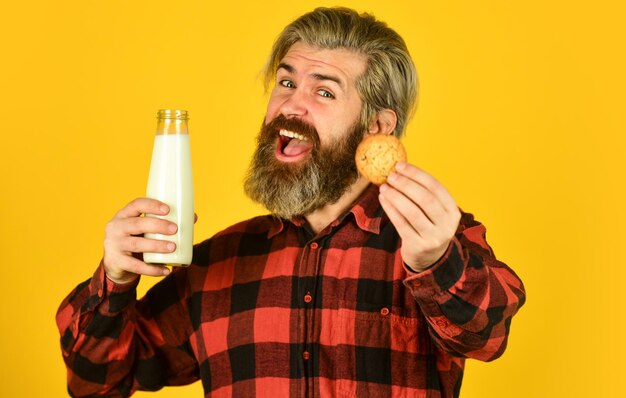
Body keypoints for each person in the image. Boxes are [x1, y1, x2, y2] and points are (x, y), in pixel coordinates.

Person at [57, 7, 525, 398]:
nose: (290, 106)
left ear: (378, 128)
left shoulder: (432, 238)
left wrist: (436, 261)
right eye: (286, 83)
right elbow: (96, 383)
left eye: (323, 91)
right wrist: (115, 279)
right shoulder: (220, 262)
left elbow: (488, 336)